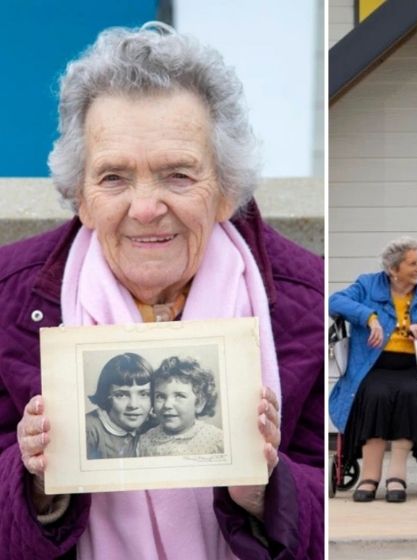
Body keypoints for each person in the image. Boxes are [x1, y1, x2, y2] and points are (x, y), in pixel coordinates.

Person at [4, 23, 323, 558]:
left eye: (178, 175)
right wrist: (34, 482)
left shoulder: (308, 298)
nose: (147, 208)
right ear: (80, 197)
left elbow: (331, 512)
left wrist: (268, 491)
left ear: (225, 191)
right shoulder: (8, 296)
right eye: (114, 177)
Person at [328, 236, 417, 503]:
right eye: (413, 263)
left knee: (411, 394)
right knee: (374, 395)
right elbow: (334, 301)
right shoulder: (367, 285)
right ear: (394, 269)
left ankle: (397, 474)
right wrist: (369, 317)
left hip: (415, 364)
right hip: (374, 365)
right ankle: (370, 475)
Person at [138, 356, 224, 457]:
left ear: (199, 403)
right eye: (160, 396)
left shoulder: (216, 440)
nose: (167, 405)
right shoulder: (145, 442)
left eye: (179, 396)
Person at [85, 353, 154, 460]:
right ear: (106, 395)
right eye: (121, 395)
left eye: (144, 394)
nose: (133, 405)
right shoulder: (89, 430)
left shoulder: (154, 425)